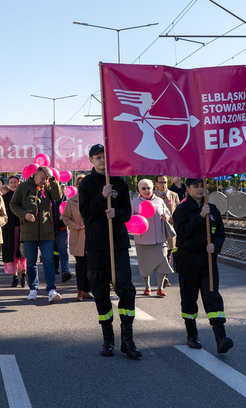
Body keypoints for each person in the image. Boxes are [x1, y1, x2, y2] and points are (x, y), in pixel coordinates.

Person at [78, 144, 140, 359]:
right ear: (91, 160)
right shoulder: (86, 184)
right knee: (100, 291)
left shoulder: (120, 181)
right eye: (97, 157)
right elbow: (86, 213)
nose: (102, 160)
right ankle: (108, 340)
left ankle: (127, 339)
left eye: (104, 156)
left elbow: (127, 212)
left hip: (118, 244)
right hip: (96, 246)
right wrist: (101, 197)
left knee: (127, 289)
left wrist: (118, 213)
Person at [173, 178, 232, 354]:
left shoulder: (212, 209)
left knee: (212, 296)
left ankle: (220, 337)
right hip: (188, 260)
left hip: (208, 260)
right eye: (196, 186)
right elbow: (183, 233)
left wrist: (216, 245)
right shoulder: (182, 210)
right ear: (188, 188)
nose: (200, 189)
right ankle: (192, 335)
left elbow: (220, 233)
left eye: (202, 186)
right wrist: (199, 217)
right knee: (189, 298)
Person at [9, 165, 64, 303]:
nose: (44, 181)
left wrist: (52, 179)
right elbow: (13, 204)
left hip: (46, 231)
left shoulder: (48, 186)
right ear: (35, 174)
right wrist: (24, 215)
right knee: (31, 262)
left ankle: (51, 290)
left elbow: (58, 196)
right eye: (43, 178)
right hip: (28, 232)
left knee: (48, 260)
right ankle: (33, 288)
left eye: (46, 178)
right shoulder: (23, 187)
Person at [132, 178, 174, 297]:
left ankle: (160, 288)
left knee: (162, 263)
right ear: (139, 190)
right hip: (142, 240)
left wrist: (166, 216)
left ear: (152, 189)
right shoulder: (134, 202)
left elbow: (167, 212)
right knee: (145, 264)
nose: (146, 190)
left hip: (159, 238)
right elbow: (129, 218)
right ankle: (147, 286)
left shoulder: (159, 200)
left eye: (148, 188)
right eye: (143, 188)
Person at [61, 174, 92, 301]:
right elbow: (65, 217)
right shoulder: (72, 201)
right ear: (76, 186)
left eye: (83, 182)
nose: (81, 185)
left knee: (90, 265)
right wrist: (74, 225)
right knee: (81, 265)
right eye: (79, 183)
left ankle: (86, 290)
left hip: (91, 236)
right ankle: (79, 290)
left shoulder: (93, 198)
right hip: (78, 236)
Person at [1, 176, 26, 288]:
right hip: (9, 230)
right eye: (11, 182)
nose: (13, 184)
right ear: (8, 184)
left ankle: (24, 277)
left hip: (23, 229)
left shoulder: (23, 196)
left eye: (15, 182)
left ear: (19, 183)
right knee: (13, 255)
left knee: (23, 255)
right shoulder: (4, 198)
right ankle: (15, 277)